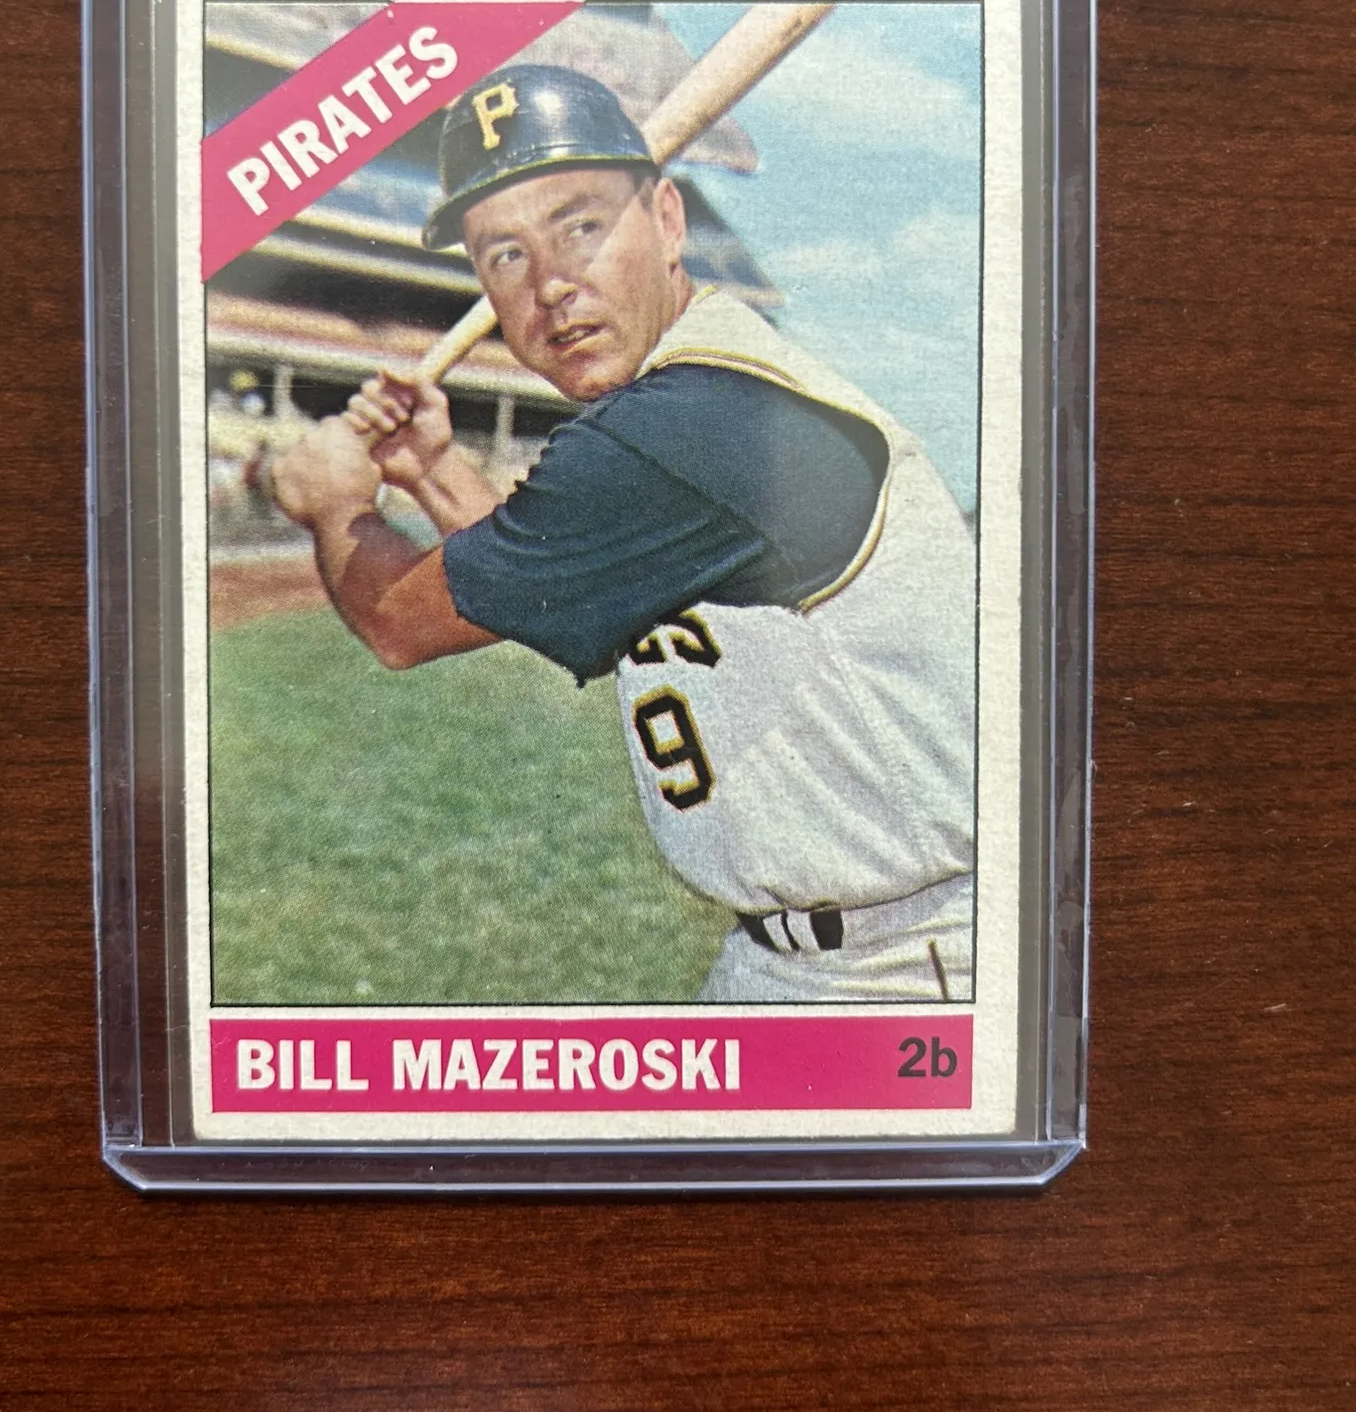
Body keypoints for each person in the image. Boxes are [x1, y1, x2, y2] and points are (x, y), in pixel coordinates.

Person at [271, 63, 975, 1003]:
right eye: (506, 255)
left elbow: (400, 622)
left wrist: (334, 505)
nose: (552, 285)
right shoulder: (701, 400)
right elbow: (555, 589)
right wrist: (431, 467)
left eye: (581, 226)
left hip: (905, 968)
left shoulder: (686, 425)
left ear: (669, 221)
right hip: (808, 953)